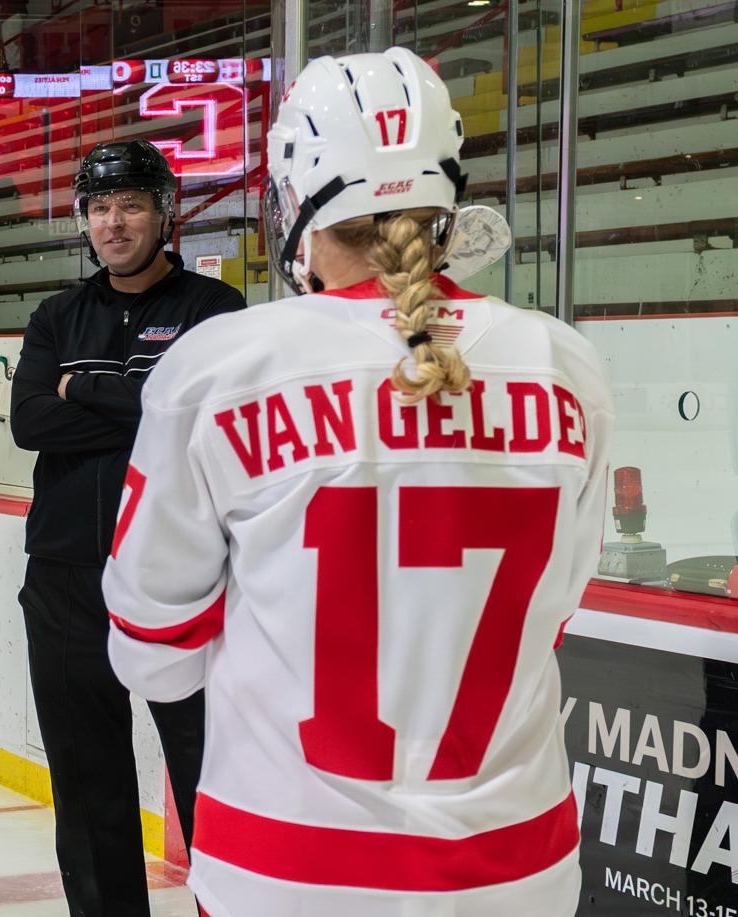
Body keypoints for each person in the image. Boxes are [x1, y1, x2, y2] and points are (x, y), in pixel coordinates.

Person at [103, 47, 612, 917]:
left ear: (294, 205)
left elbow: (152, 654)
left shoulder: (222, 367)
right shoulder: (568, 365)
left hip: (288, 868)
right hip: (515, 869)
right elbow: (553, 612)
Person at [8, 138, 246, 917]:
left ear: (165, 211)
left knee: (210, 773)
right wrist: (145, 400)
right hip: (66, 579)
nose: (113, 223)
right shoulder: (55, 316)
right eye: (99, 208)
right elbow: (30, 420)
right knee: (87, 782)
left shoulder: (215, 313)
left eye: (131, 205)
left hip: (187, 580)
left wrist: (90, 390)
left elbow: (207, 422)